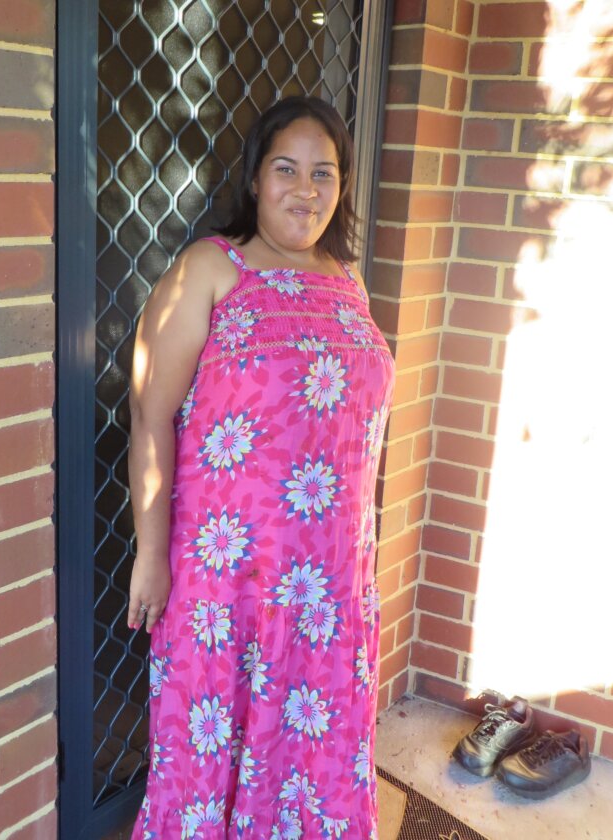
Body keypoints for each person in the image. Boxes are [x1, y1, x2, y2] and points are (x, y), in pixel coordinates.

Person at [127, 95, 394, 839]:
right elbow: (150, 413)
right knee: (213, 758)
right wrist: (151, 554)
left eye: (323, 173)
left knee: (310, 759)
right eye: (286, 169)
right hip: (231, 586)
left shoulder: (348, 282)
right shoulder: (211, 269)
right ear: (253, 178)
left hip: (331, 592)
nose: (304, 190)